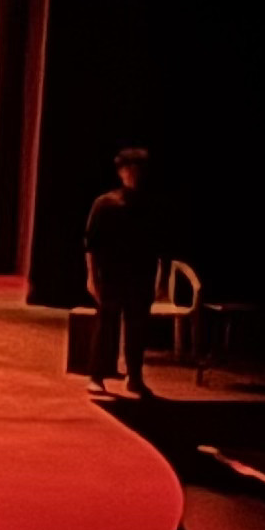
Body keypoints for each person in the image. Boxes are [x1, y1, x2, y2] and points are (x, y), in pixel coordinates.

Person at [81, 145, 158, 396]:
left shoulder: (150, 206)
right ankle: (97, 375)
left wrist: (158, 277)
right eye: (130, 170)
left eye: (140, 170)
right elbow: (91, 244)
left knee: (137, 328)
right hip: (111, 275)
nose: (135, 175)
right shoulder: (105, 204)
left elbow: (157, 246)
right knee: (105, 325)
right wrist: (91, 277)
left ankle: (134, 377)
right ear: (121, 172)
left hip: (141, 275)